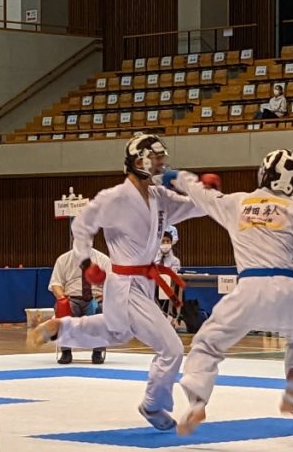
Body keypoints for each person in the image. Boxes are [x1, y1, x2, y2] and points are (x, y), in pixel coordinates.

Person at [27, 134, 205, 431]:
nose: (163, 163)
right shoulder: (115, 198)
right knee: (171, 348)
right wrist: (85, 262)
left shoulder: (160, 197)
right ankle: (152, 403)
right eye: (157, 158)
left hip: (142, 282)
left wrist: (199, 189)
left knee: (116, 331)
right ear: (139, 162)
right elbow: (82, 224)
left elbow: (196, 208)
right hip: (125, 282)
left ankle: (62, 328)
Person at [174, 152, 293, 435]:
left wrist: (173, 176)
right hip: (291, 289)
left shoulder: (237, 202)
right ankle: (291, 393)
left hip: (251, 286)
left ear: (262, 174)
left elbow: (199, 193)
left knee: (209, 342)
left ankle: (197, 402)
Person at [48, 245, 110, 365]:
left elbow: (112, 283)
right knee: (62, 307)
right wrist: (62, 298)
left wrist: (106, 295)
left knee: (102, 309)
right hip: (72, 298)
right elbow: (55, 284)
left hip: (95, 299)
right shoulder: (63, 259)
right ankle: (66, 351)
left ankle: (98, 352)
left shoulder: (103, 260)